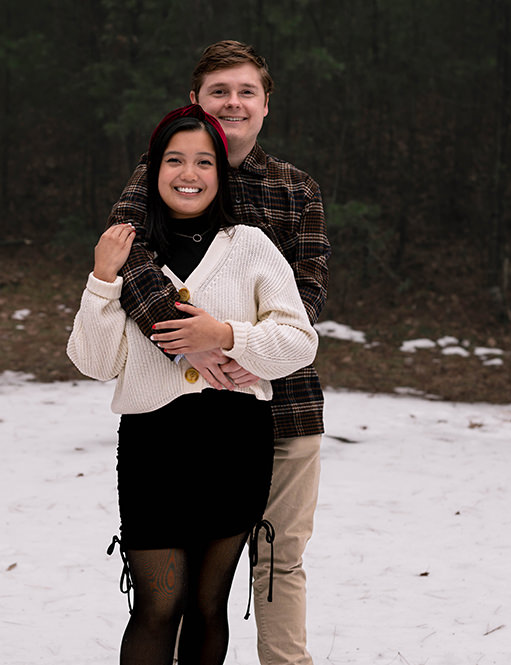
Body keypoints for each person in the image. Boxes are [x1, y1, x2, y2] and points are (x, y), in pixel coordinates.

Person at [67, 104, 319, 665]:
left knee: (209, 608)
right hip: (154, 447)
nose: (190, 173)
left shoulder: (250, 244)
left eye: (205, 162)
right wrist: (101, 280)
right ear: (154, 170)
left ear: (219, 174)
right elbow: (93, 360)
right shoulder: (132, 254)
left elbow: (299, 340)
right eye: (175, 159)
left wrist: (226, 335)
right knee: (157, 607)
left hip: (235, 442)